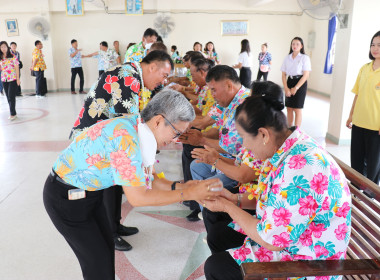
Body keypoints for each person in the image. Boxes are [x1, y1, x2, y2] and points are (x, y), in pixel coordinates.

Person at [44, 88, 223, 280]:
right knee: (97, 264)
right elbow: (138, 197)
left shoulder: (139, 127)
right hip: (67, 199)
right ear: (158, 121)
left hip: (89, 194)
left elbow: (151, 178)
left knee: (104, 254)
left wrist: (184, 187)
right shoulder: (127, 139)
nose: (175, 140)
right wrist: (189, 194)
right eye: (176, 132)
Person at [203, 81, 352, 280]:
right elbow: (277, 200)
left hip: (309, 262)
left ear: (263, 134)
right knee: (218, 235)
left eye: (244, 138)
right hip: (292, 239)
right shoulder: (287, 148)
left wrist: (228, 207)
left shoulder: (301, 166)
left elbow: (273, 240)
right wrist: (234, 199)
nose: (245, 147)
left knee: (216, 267)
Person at [69, 50, 174, 251]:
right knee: (109, 185)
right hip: (93, 140)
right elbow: (128, 121)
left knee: (116, 185)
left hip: (104, 138)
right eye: (164, 75)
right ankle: (110, 233)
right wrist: (145, 159)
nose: (163, 81)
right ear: (152, 67)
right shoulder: (128, 77)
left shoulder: (131, 74)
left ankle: (115, 225)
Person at [180, 65, 251, 207]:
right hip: (227, 157)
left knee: (206, 183)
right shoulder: (228, 101)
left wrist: (202, 140)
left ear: (229, 85)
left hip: (241, 166)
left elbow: (234, 148)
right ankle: (203, 208)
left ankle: (209, 210)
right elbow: (217, 128)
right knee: (196, 166)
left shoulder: (246, 105)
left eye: (213, 89)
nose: (212, 94)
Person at [180, 58, 216, 221]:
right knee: (187, 145)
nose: (191, 77)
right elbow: (201, 110)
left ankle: (195, 201)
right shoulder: (208, 89)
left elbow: (206, 121)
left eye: (192, 72)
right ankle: (190, 194)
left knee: (192, 151)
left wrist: (201, 138)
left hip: (214, 140)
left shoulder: (214, 91)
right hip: (208, 133)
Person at [346, 30, 380, 185]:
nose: (375, 48)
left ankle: (370, 197)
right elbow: (357, 94)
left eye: (379, 45)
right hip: (359, 122)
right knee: (357, 162)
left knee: (373, 166)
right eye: (373, 44)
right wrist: (351, 115)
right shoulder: (364, 68)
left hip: (375, 126)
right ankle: (356, 192)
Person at [281, 37, 311, 128]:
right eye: (293, 44)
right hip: (289, 81)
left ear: (301, 46)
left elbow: (306, 75)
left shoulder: (304, 58)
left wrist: (296, 88)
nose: (295, 46)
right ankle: (289, 129)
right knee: (289, 108)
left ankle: (296, 131)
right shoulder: (287, 58)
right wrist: (286, 88)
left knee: (297, 109)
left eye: (297, 44)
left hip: (300, 83)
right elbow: (283, 75)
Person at [0, 41, 20, 120]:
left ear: (7, 47)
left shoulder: (12, 56)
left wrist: (18, 79)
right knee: (8, 97)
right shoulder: (0, 57)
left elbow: (17, 67)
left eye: (4, 46)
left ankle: (13, 114)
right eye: (1, 47)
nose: (3, 48)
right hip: (4, 79)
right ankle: (13, 112)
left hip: (13, 78)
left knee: (11, 96)